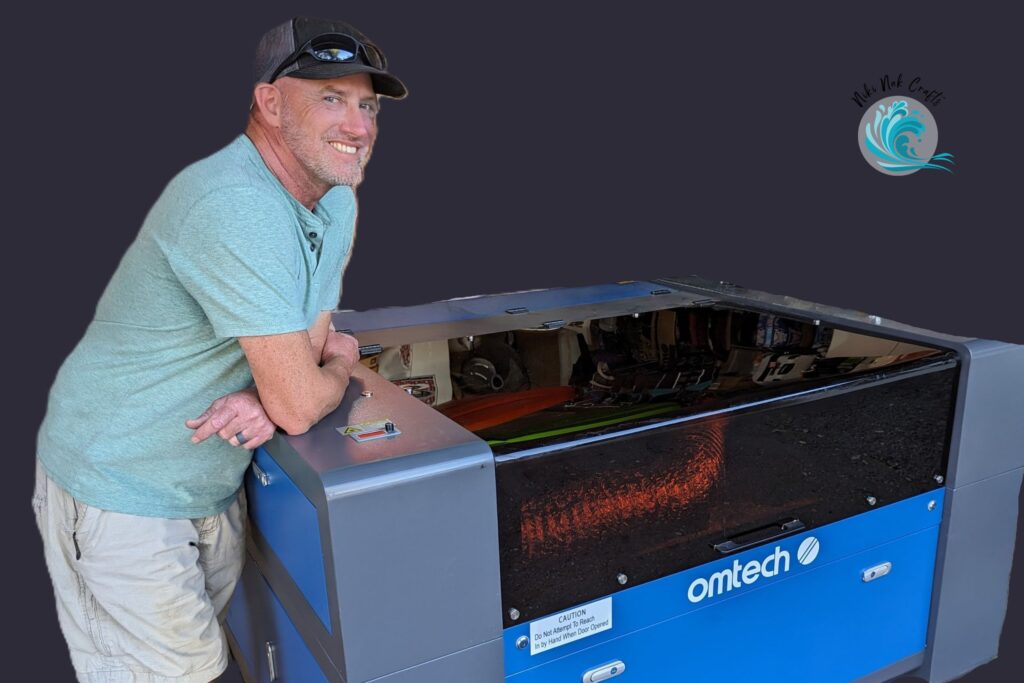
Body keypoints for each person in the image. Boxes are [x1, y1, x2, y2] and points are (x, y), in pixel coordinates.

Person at [32, 16, 406, 682]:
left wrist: (283, 386)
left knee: (212, 654)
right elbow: (311, 379)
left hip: (207, 477)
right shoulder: (234, 201)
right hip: (121, 476)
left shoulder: (334, 197)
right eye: (330, 97)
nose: (359, 127)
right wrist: (336, 365)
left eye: (367, 105)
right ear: (267, 101)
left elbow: (308, 343)